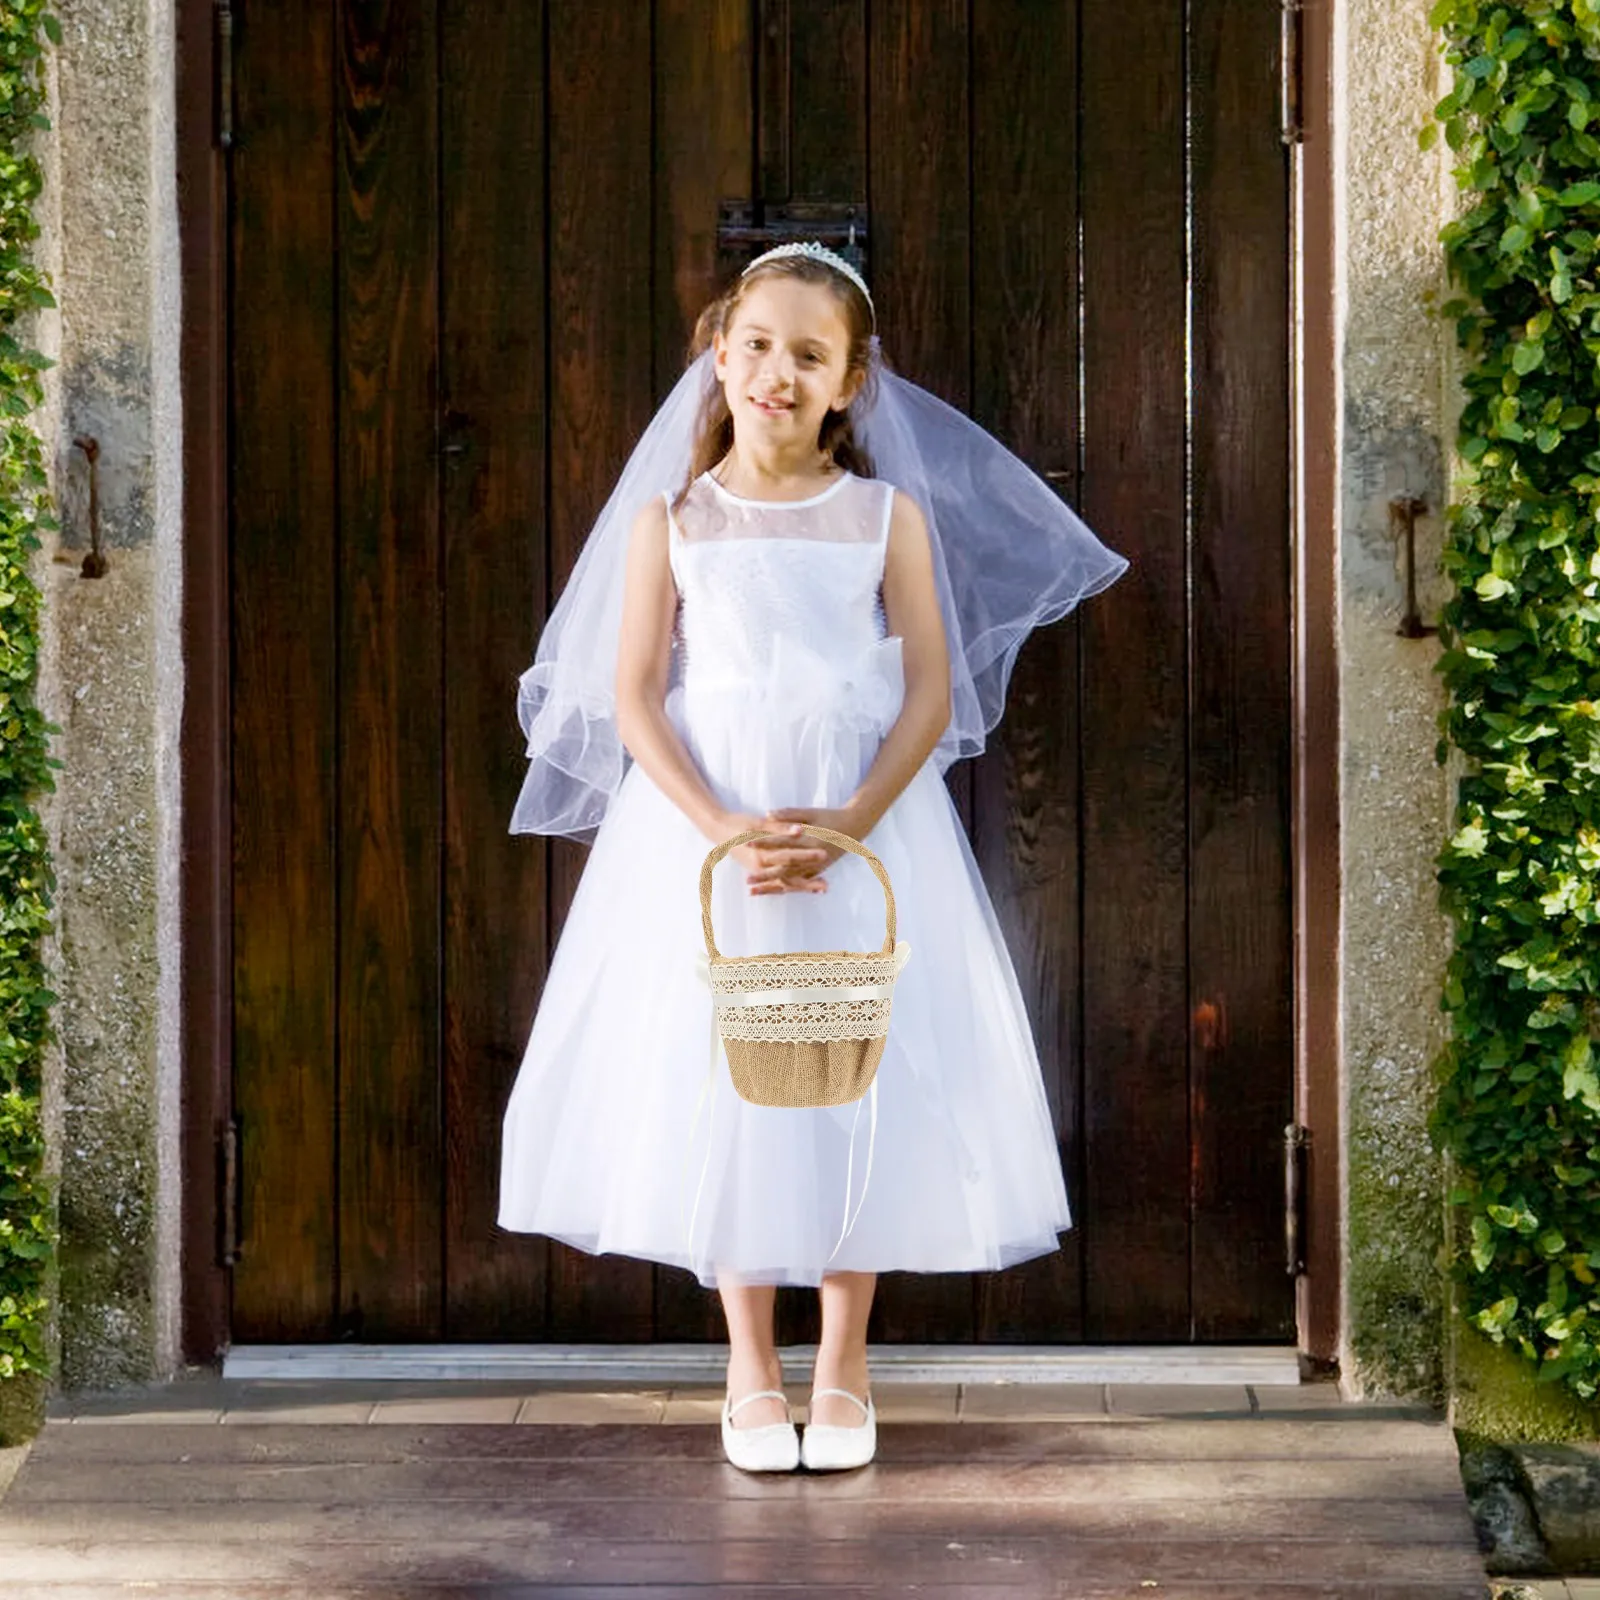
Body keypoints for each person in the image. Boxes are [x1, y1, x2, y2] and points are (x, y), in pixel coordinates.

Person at [498, 242, 1129, 1474]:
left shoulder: (884, 518)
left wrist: (848, 821)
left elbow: (931, 690)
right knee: (722, 1069)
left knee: (856, 1060)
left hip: (859, 823)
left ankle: (843, 1357)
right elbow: (634, 695)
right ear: (717, 357)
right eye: (756, 346)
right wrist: (719, 826)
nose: (776, 373)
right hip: (711, 828)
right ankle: (750, 1360)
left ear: (849, 382)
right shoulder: (672, 521)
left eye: (808, 354)